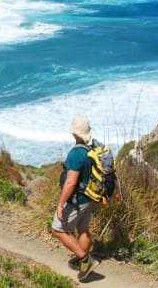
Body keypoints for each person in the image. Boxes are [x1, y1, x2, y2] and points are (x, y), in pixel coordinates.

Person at [51, 115, 100, 281]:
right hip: (90, 198)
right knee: (83, 229)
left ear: (74, 133)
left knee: (57, 229)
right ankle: (82, 263)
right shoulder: (94, 148)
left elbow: (71, 182)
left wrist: (60, 204)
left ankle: (85, 260)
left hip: (77, 201)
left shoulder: (76, 154)